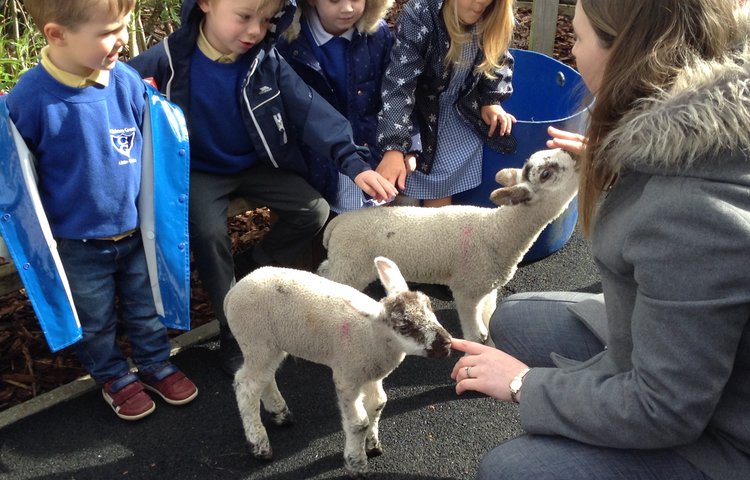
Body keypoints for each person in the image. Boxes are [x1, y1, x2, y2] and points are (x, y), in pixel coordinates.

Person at [450, 1, 750, 479]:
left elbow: (666, 408)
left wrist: (525, 383)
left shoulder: (693, 216)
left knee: (510, 469)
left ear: (629, 54)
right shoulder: (711, 134)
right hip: (690, 355)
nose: (573, 53)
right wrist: (630, 158)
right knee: (515, 317)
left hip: (723, 430)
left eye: (580, 38)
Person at [128, 0, 398, 376]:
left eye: (267, 20)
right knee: (208, 232)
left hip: (256, 163)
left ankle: (254, 263)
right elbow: (114, 88)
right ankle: (233, 329)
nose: (255, 31)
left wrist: (353, 163)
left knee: (313, 210)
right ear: (206, 5)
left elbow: (310, 110)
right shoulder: (171, 58)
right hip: (201, 170)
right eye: (243, 18)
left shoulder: (262, 59)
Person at [5, 0, 198, 421]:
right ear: (57, 35)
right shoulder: (30, 99)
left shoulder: (125, 81)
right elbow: (15, 175)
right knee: (93, 320)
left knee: (146, 306)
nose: (123, 39)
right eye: (109, 31)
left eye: (124, 26)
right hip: (76, 243)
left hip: (134, 231)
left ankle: (152, 361)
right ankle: (112, 374)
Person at [375, 0, 516, 207]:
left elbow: (498, 59)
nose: (482, 3)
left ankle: (438, 234)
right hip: (415, 118)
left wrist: (490, 99)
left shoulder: (493, 16)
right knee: (405, 192)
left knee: (442, 190)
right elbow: (399, 85)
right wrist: (394, 146)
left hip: (458, 115)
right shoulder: (421, 15)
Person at [276, 0, 395, 213]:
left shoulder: (378, 35)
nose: (347, 8)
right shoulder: (291, 41)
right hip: (315, 161)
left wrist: (398, 146)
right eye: (334, 0)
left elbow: (392, 92)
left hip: (369, 152)